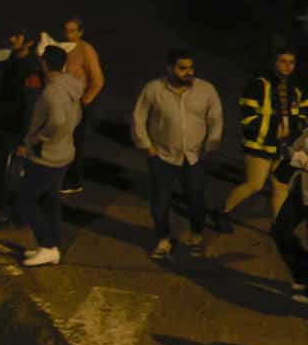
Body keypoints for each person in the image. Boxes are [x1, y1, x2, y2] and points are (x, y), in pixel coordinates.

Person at [131, 48, 224, 262]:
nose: (188, 72)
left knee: (196, 199)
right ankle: (163, 240)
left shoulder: (206, 90)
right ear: (170, 68)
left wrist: (210, 146)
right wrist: (147, 147)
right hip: (162, 156)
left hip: (194, 157)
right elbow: (139, 116)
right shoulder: (154, 89)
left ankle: (196, 237)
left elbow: (216, 119)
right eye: (182, 68)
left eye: (191, 68)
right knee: (160, 202)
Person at [16, 45, 84, 268]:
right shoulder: (73, 85)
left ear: (45, 64)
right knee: (50, 199)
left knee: (26, 198)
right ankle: (53, 245)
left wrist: (38, 138)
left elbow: (57, 120)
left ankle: (46, 246)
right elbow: (76, 117)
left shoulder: (52, 91)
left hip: (47, 157)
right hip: (65, 153)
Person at [221, 49, 304, 227]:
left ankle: (278, 226)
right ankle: (223, 212)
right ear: (274, 63)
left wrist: (296, 131)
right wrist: (269, 131)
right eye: (283, 61)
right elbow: (247, 114)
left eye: (291, 62)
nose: (287, 66)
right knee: (254, 185)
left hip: (284, 147)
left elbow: (303, 113)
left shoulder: (295, 89)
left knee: (281, 187)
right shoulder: (259, 85)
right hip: (260, 146)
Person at [0, 30, 46, 221]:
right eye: (12, 35)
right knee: (2, 169)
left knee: (13, 174)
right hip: (7, 124)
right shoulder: (13, 57)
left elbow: (31, 107)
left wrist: (25, 140)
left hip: (19, 129)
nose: (11, 39)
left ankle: (11, 213)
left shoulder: (32, 69)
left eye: (17, 37)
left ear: (28, 43)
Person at [59, 16, 105, 194]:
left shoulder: (86, 50)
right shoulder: (62, 47)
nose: (68, 34)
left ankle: (74, 180)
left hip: (78, 103)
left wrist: (86, 100)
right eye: (66, 30)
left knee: (76, 142)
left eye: (72, 31)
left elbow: (98, 80)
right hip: (63, 101)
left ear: (80, 32)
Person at [264, 127, 308, 301]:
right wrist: (289, 150)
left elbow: (296, 156)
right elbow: (295, 147)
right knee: (280, 230)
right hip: (301, 191)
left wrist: (297, 158)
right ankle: (304, 274)